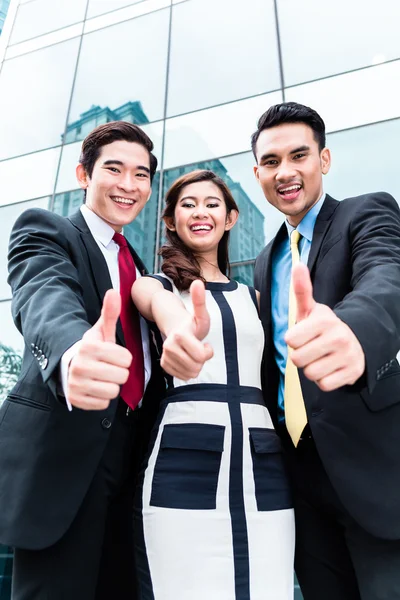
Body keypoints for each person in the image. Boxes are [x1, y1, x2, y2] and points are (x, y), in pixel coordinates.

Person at [0, 121, 165, 600]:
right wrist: (74, 354)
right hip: (65, 461)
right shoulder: (48, 230)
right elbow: (44, 295)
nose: (128, 185)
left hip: (133, 464)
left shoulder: (141, 265)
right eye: (113, 169)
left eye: (140, 174)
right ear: (83, 174)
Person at [252, 101, 400, 600]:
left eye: (299, 155)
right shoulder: (264, 260)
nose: (286, 172)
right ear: (258, 173)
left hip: (373, 466)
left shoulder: (367, 213)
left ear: (325, 159)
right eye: (271, 162)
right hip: (297, 474)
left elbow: (387, 278)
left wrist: (356, 331)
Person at [131, 169, 295, 600]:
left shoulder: (255, 298)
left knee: (269, 583)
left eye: (211, 203)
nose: (200, 212)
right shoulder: (154, 286)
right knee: (181, 586)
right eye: (187, 204)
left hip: (263, 460)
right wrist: (179, 328)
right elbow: (160, 306)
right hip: (182, 457)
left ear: (230, 219)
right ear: (170, 221)